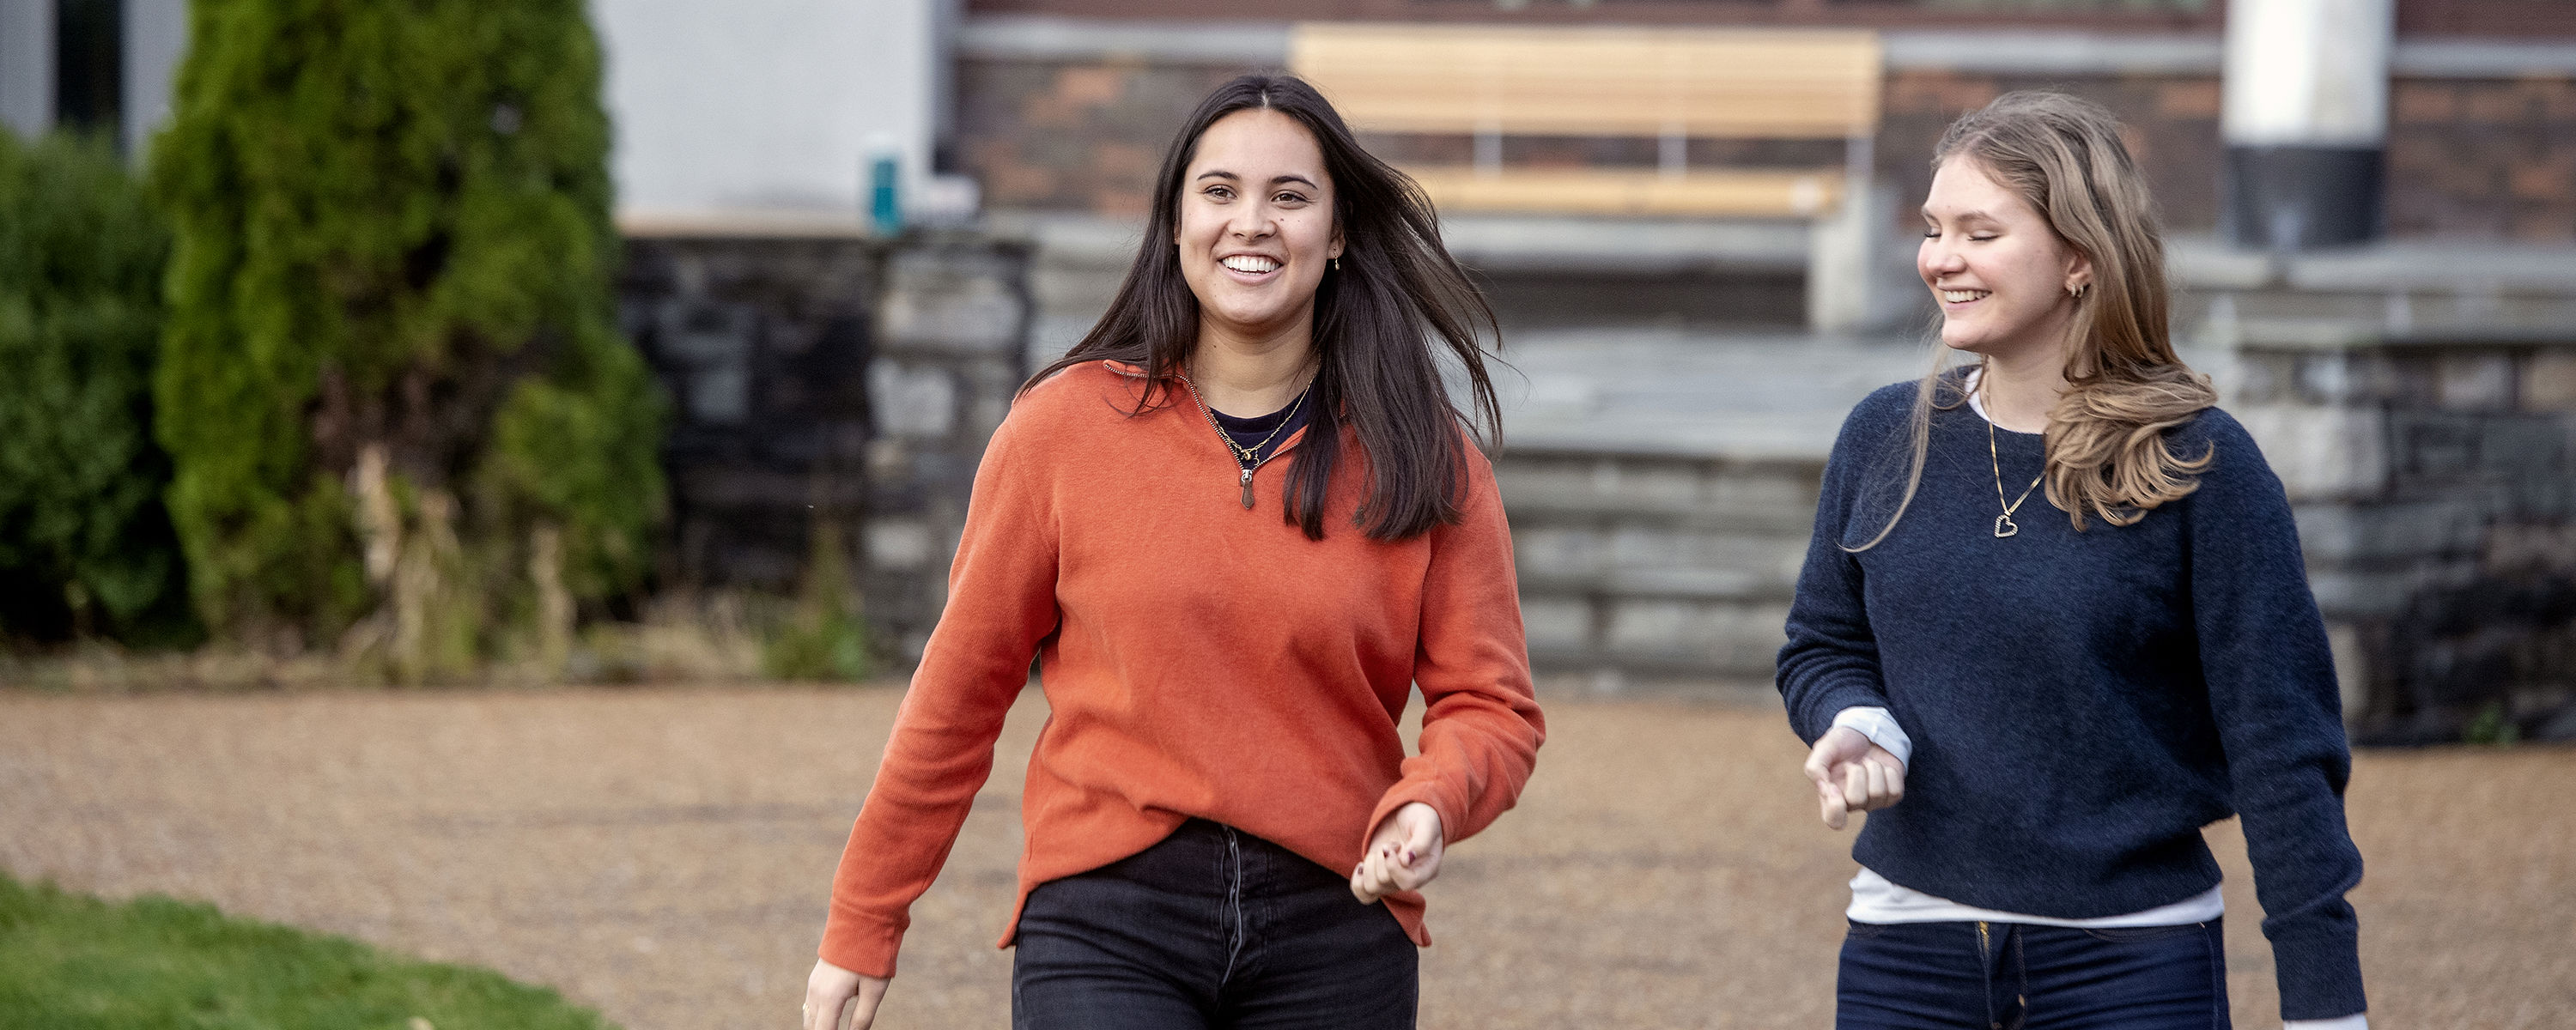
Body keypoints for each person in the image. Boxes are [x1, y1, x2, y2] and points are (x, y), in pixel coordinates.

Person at [799, 74, 1546, 1030]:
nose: (1251, 223)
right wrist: (864, 920)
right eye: (1220, 191)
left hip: (1339, 924)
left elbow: (1492, 705)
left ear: (1339, 232)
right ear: (1177, 220)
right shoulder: (1062, 431)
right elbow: (959, 692)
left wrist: (1432, 802)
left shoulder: (1426, 458)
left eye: (1289, 196)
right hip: (1105, 919)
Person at [1775, 92, 2368, 1030]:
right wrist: (1857, 719)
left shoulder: (2201, 464)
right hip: (1904, 957)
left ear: (2081, 257)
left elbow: (2282, 742)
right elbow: (1821, 644)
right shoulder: (1884, 436)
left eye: (1980, 232)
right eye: (1933, 229)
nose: (1941, 259)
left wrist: (2325, 1004)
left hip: (2134, 968)